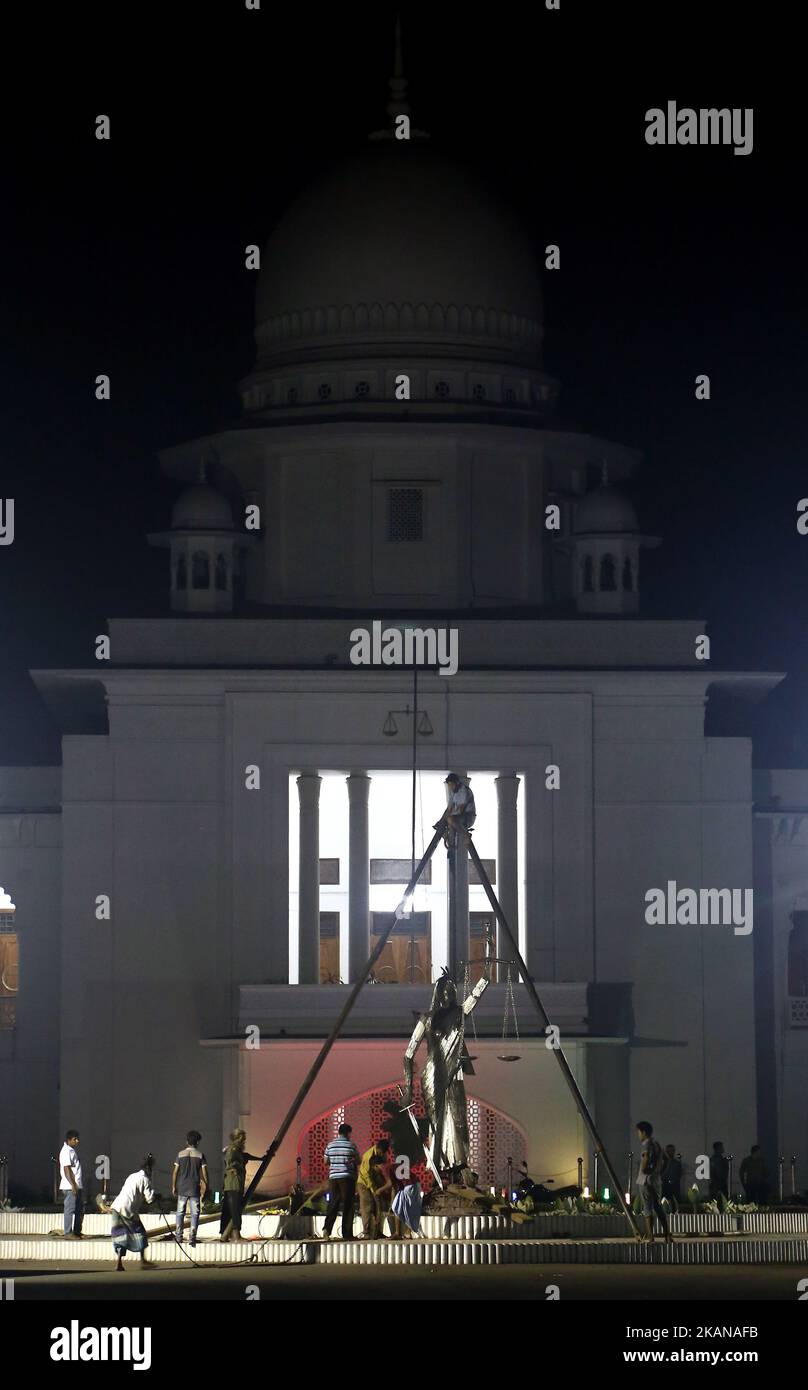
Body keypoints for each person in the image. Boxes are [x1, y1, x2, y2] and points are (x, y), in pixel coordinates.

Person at [100, 1155, 157, 1272]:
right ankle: (143, 1261)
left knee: (120, 1236)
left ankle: (119, 1263)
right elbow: (150, 1199)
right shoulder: (146, 1180)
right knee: (140, 1233)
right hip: (128, 1210)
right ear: (149, 1169)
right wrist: (156, 1197)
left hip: (117, 1207)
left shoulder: (132, 1176)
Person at [635, 1121, 673, 1244]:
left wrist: (645, 1169)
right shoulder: (656, 1144)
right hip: (656, 1181)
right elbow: (666, 1159)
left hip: (646, 1180)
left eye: (639, 1132)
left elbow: (645, 1158)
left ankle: (651, 1237)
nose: (638, 1135)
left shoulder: (646, 1144)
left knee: (647, 1208)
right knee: (658, 1207)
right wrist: (659, 1172)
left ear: (644, 1132)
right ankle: (667, 1235)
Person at [220, 1128, 261, 1241]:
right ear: (237, 1138)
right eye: (242, 1139)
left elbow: (246, 1156)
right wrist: (233, 1168)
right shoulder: (233, 1149)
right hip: (234, 1183)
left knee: (231, 1209)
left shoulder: (237, 1150)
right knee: (235, 1209)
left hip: (235, 1183)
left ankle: (227, 1234)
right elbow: (229, 1161)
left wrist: (261, 1159)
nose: (244, 1142)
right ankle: (236, 1234)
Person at [323, 1122, 360, 1239]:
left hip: (333, 1178)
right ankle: (347, 1233)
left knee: (333, 1203)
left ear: (338, 1132)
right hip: (347, 1178)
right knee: (348, 1205)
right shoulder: (351, 1145)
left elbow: (326, 1162)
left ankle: (327, 1230)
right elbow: (358, 1160)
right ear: (348, 1133)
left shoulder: (330, 1145)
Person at [172, 1129, 209, 1246]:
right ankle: (192, 1238)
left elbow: (175, 1172)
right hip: (194, 1188)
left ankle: (178, 1237)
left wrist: (173, 1186)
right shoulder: (200, 1155)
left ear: (187, 1141)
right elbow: (205, 1174)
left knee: (180, 1212)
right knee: (195, 1213)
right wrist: (206, 1187)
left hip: (182, 1187)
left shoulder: (180, 1154)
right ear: (197, 1142)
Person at [357, 1138, 393, 1238]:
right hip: (364, 1184)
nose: (382, 1155)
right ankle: (366, 1233)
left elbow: (383, 1169)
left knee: (379, 1207)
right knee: (367, 1206)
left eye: (384, 1153)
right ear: (377, 1148)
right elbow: (366, 1175)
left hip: (376, 1183)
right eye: (381, 1152)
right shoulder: (368, 1156)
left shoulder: (382, 1153)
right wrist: (373, 1190)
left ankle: (377, 1232)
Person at [434, 773, 476, 847]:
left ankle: (465, 835)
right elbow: (449, 809)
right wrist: (441, 821)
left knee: (450, 820)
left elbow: (460, 810)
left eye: (451, 785)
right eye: (449, 785)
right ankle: (450, 844)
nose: (450, 787)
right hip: (459, 817)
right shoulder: (453, 793)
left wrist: (448, 819)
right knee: (446, 822)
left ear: (456, 783)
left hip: (468, 817)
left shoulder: (464, 791)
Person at [59, 1128, 83, 1238]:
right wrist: (73, 1185)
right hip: (70, 1186)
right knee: (70, 1209)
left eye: (77, 1139)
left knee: (79, 1210)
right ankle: (68, 1233)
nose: (77, 1141)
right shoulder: (65, 1151)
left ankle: (77, 1232)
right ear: (69, 1140)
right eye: (75, 1139)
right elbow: (66, 1169)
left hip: (76, 1185)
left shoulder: (72, 1150)